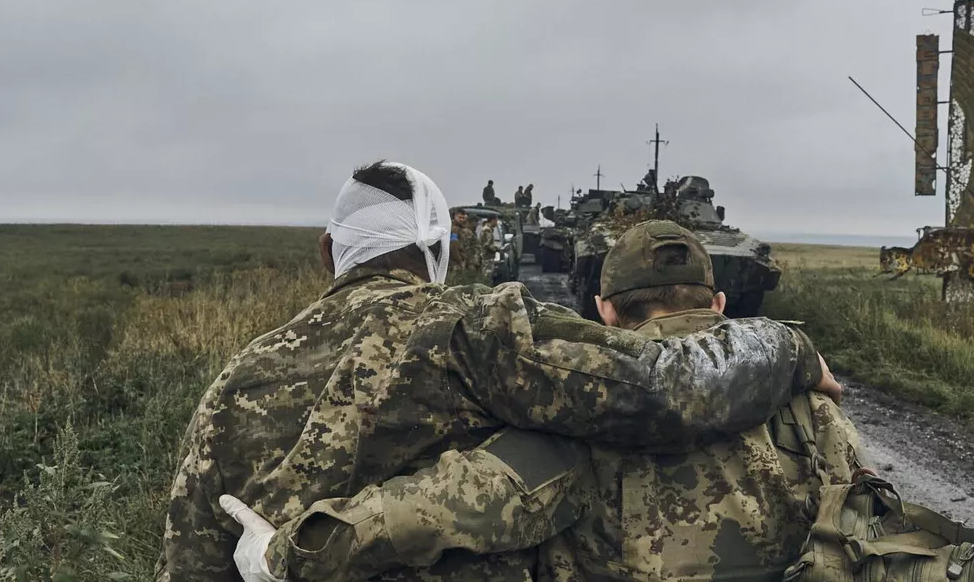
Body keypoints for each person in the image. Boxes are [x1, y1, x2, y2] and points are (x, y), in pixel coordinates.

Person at [159, 163, 840, 581]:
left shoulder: (233, 385)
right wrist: (785, 345)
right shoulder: (476, 336)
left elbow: (188, 559)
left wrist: (281, 555)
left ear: (327, 251)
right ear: (441, 250)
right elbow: (663, 388)